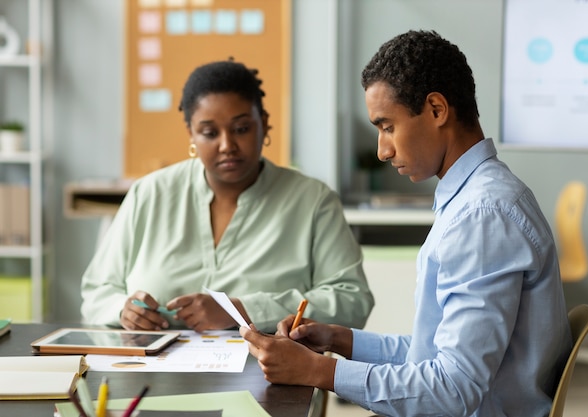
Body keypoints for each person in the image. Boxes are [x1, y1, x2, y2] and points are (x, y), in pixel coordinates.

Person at [241, 30, 573, 417]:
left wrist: (319, 371)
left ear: (436, 109)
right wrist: (338, 339)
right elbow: (431, 353)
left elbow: (453, 388)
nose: (383, 150)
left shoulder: (482, 216)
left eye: (387, 126)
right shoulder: (476, 199)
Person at [81, 59, 375, 334]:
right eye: (209, 133)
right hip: (153, 374)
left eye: (242, 129)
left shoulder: (312, 201)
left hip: (267, 375)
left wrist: (244, 310)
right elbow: (97, 291)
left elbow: (352, 300)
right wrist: (123, 310)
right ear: (191, 134)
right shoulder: (149, 193)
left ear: (265, 123)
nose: (227, 145)